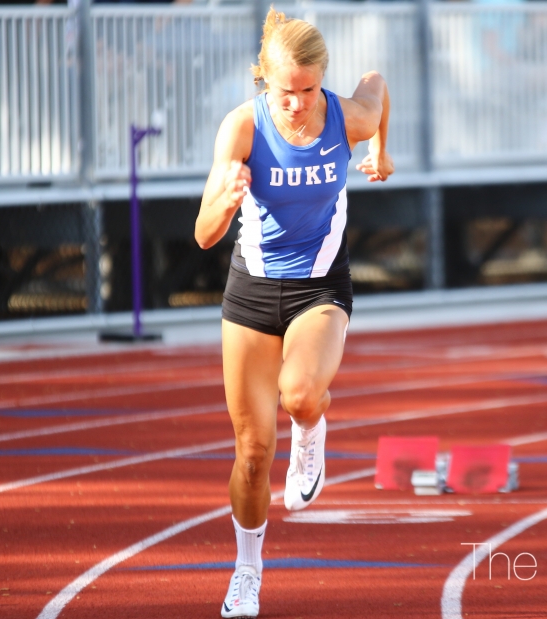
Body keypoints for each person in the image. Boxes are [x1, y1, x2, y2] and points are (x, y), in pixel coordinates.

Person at [195, 7, 392, 618]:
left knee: (302, 394)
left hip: (319, 289)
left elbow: (378, 86)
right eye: (287, 92)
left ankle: (313, 431)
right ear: (264, 81)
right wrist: (225, 205)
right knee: (253, 453)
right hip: (250, 293)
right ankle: (246, 572)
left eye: (308, 91)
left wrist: (381, 151)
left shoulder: (343, 116)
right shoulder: (242, 128)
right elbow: (202, 235)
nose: (299, 105)